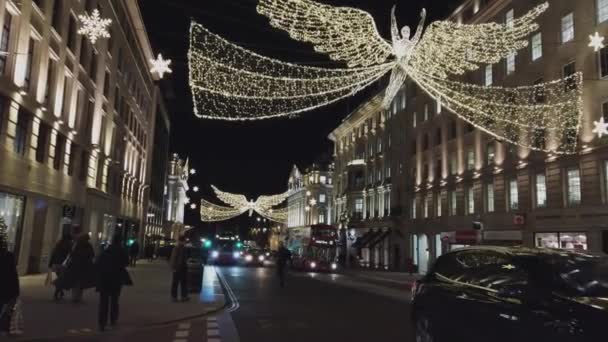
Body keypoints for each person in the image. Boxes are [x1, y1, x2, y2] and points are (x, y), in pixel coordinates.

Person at [96, 234, 130, 332]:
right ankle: (113, 318)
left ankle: (102, 322)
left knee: (104, 302)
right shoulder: (122, 251)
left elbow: (98, 262)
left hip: (105, 279)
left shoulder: (106, 250)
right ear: (120, 241)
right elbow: (126, 263)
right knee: (115, 300)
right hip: (116, 279)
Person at [65, 233, 95, 303]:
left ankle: (75, 297)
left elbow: (72, 254)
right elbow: (92, 255)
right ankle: (78, 297)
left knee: (76, 281)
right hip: (83, 266)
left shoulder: (77, 245)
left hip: (76, 265)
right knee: (80, 281)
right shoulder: (88, 245)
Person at [48, 233, 73, 300]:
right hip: (63, 264)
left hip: (56, 263)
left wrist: (50, 263)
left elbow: (53, 254)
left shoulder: (58, 245)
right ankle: (56, 293)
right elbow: (70, 255)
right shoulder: (68, 246)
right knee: (60, 280)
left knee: (59, 279)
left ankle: (60, 292)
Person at [169, 236, 189, 302]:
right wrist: (173, 267)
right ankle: (176, 297)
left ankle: (182, 296)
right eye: (184, 240)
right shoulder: (177, 248)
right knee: (177, 283)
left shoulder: (183, 248)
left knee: (182, 283)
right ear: (181, 241)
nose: (185, 242)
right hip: (178, 268)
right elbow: (173, 258)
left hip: (182, 267)